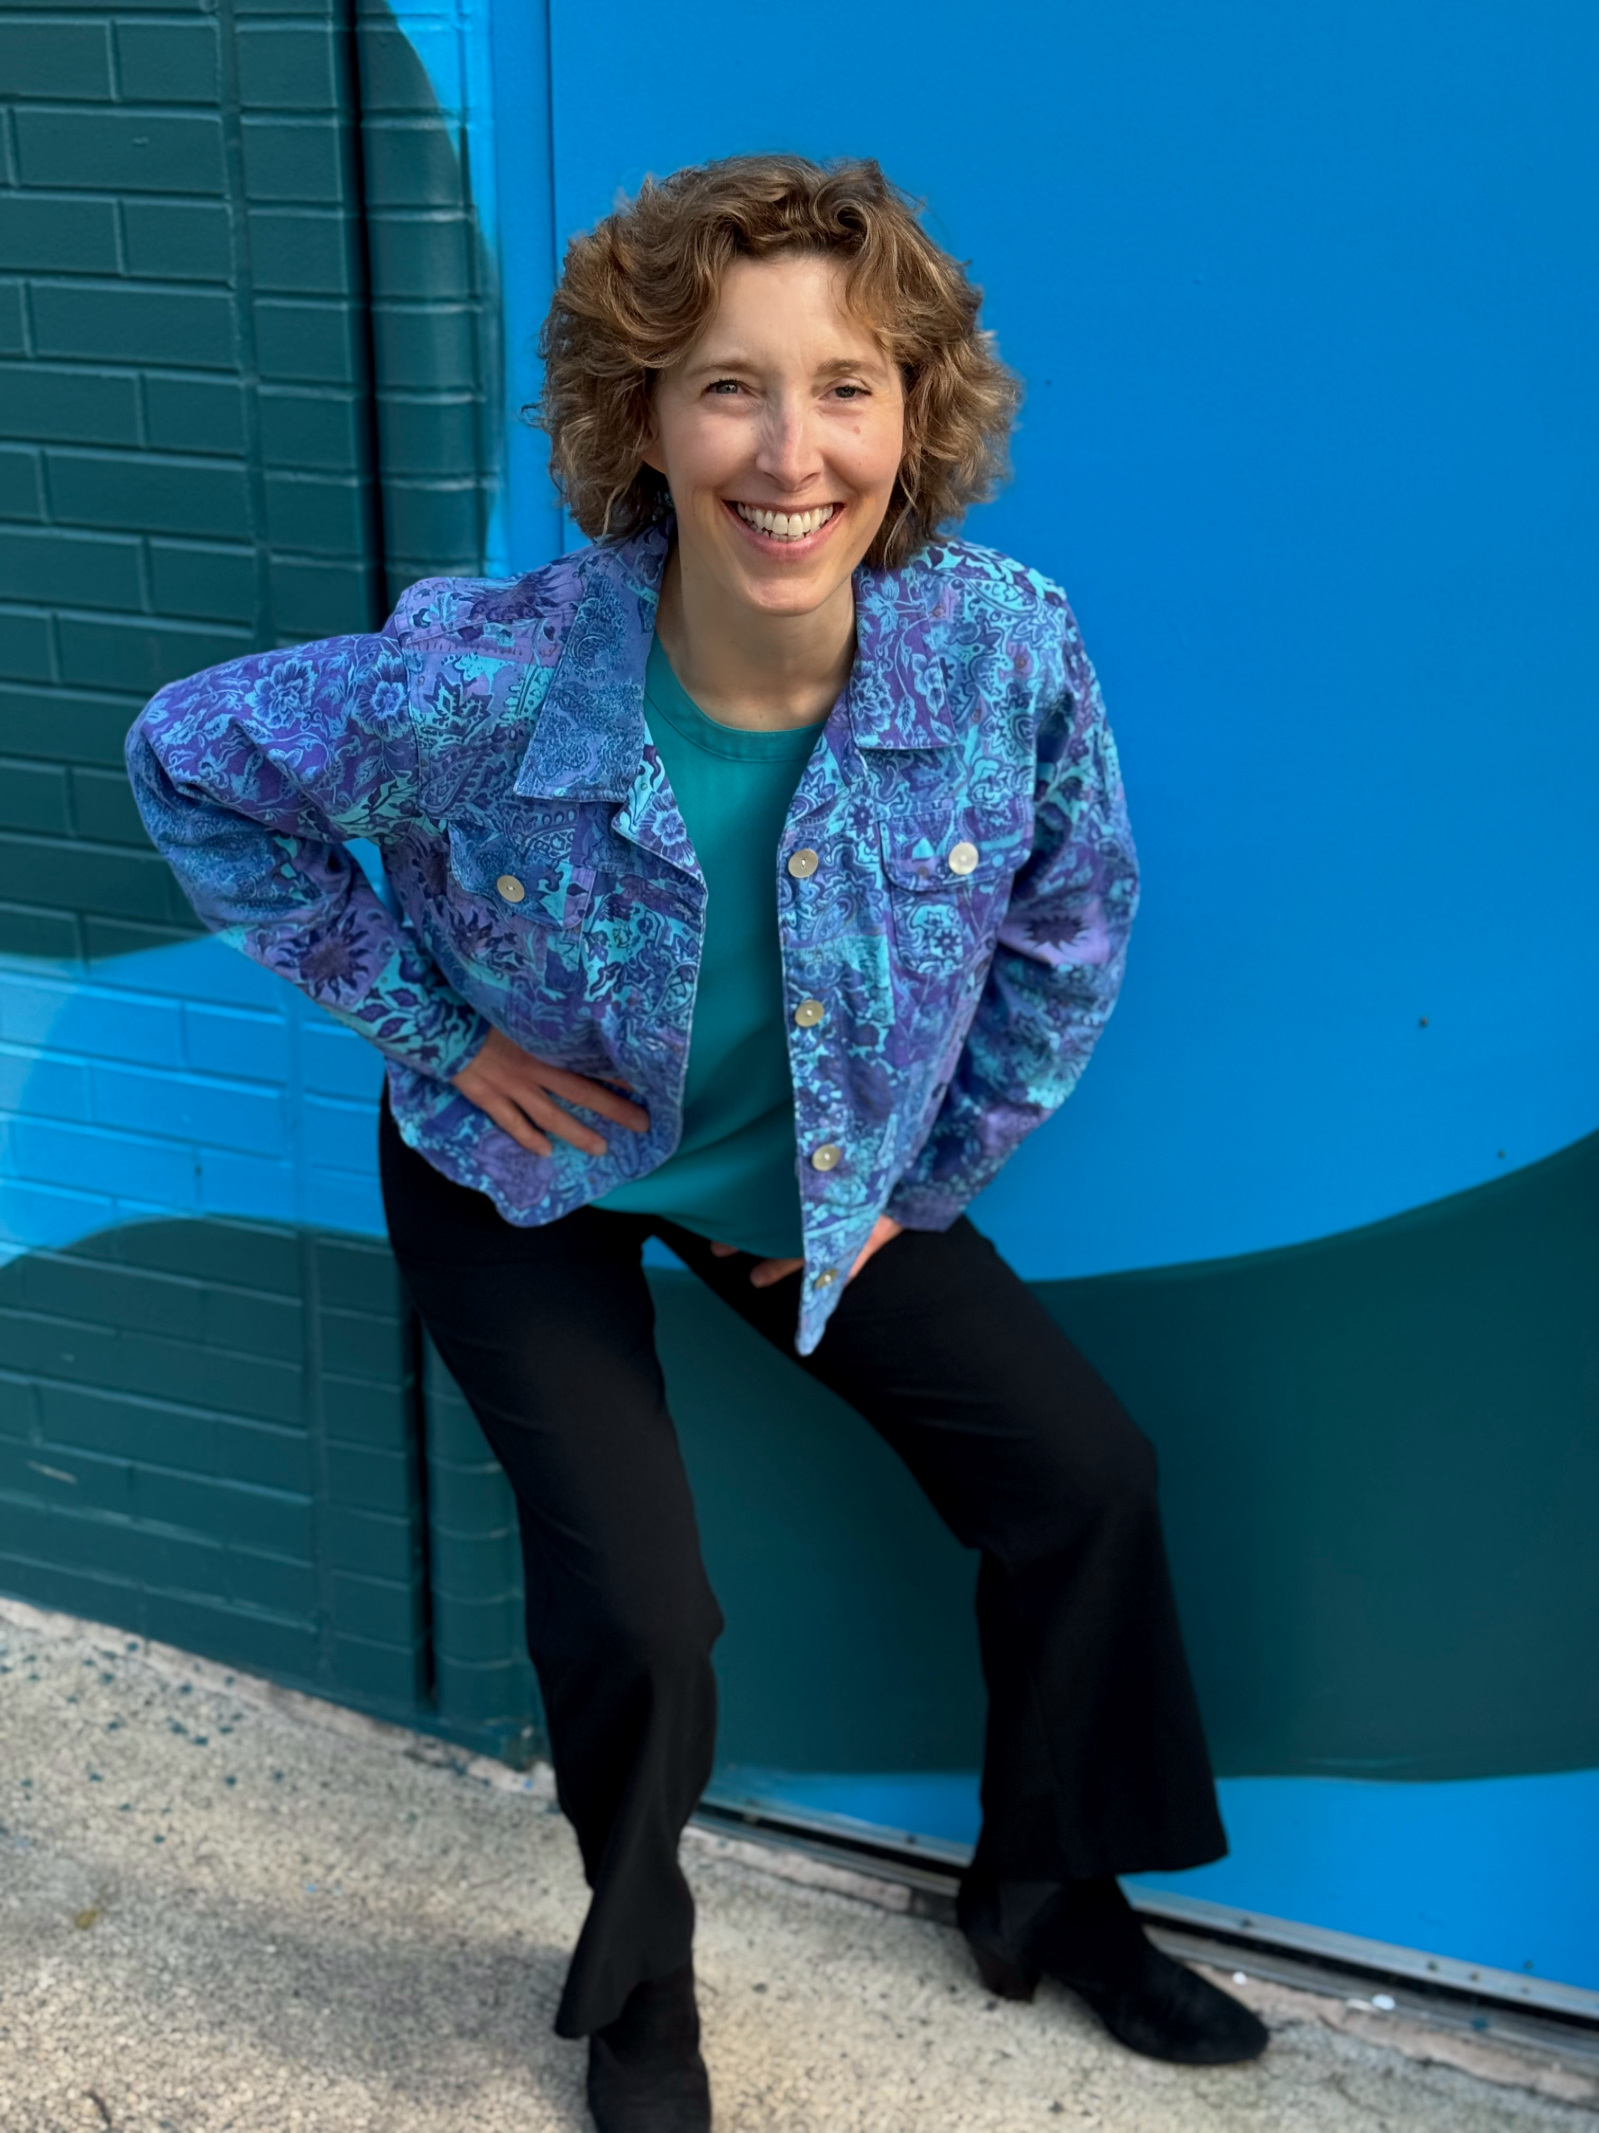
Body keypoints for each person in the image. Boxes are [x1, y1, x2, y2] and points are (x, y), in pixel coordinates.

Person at [128, 153, 1267, 2132]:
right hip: (528, 1173)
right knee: (645, 1611)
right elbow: (191, 760)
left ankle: (1043, 1892)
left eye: (845, 383)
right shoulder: (489, 674)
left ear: (914, 414)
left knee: (1082, 1474)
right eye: (726, 384)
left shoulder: (999, 646)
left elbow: (1072, 920)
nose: (788, 447)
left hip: (811, 1177)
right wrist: (442, 1029)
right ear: (638, 418)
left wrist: (915, 1184)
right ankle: (636, 1990)